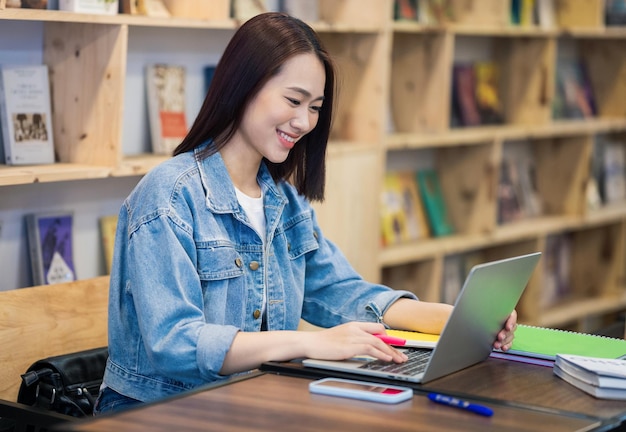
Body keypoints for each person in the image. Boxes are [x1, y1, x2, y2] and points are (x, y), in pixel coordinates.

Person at [94, 12, 518, 415]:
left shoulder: (283, 202)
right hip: (158, 412)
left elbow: (344, 294)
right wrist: (307, 344)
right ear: (244, 86)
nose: (305, 121)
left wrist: (457, 318)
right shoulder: (169, 196)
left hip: (247, 402)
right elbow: (176, 344)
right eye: (294, 100)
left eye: (315, 107)